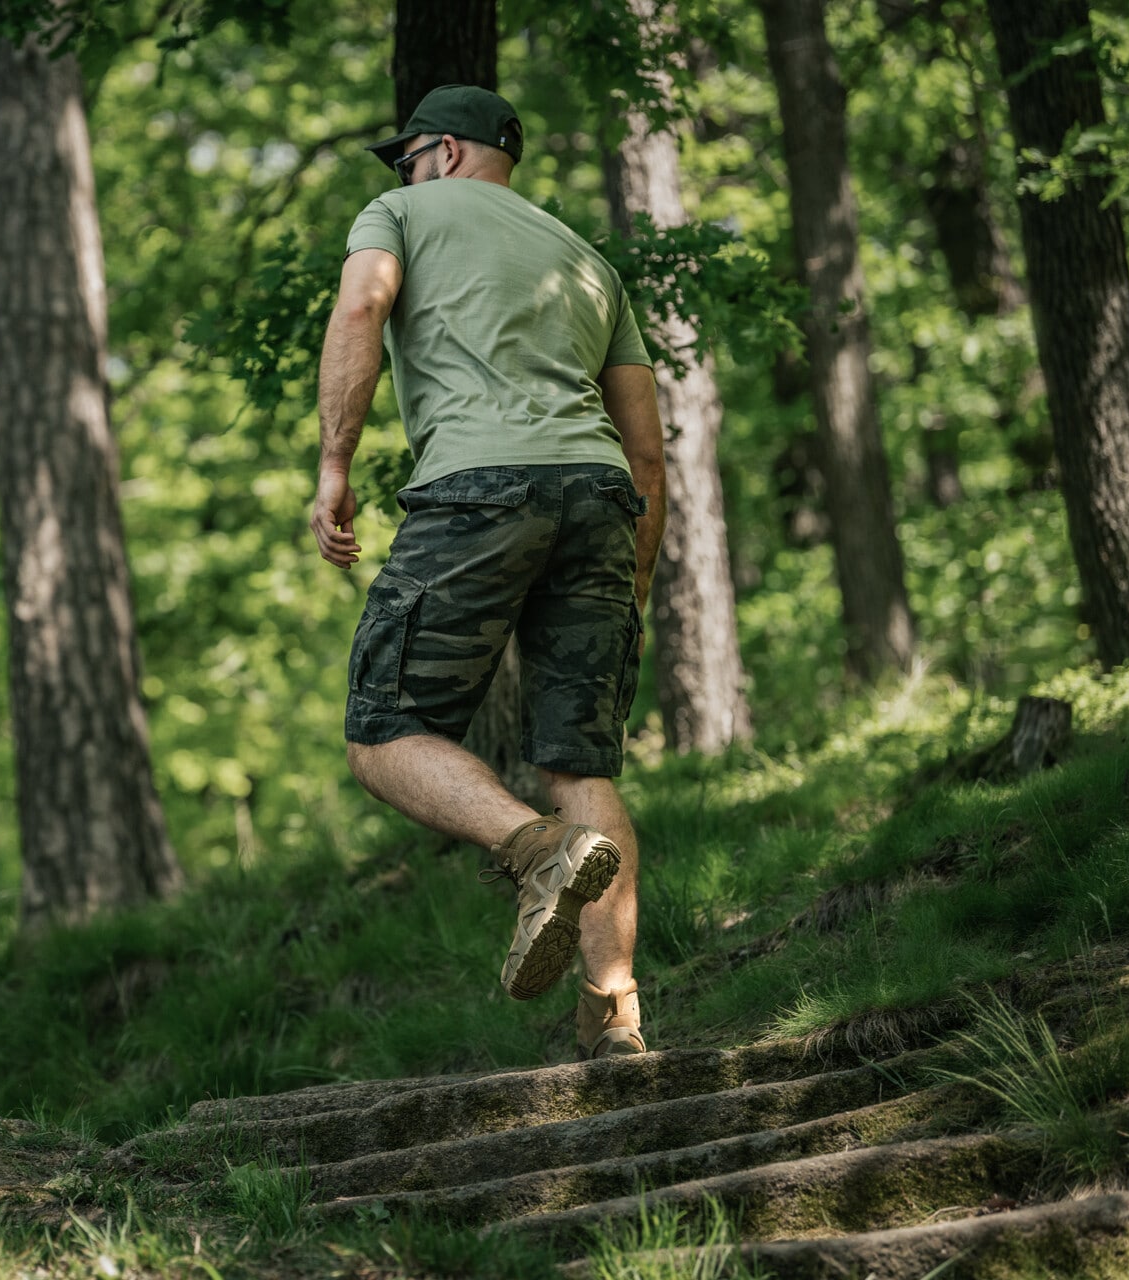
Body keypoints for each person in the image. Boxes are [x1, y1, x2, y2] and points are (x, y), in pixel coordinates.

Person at [309, 85, 667, 1058]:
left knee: (382, 733)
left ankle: (534, 845)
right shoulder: (587, 261)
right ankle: (614, 1013)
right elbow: (647, 457)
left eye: (407, 156)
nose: (401, 174)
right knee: (580, 764)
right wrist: (626, 588)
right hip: (597, 500)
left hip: (479, 486)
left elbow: (362, 301)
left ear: (447, 152)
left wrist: (335, 464)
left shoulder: (403, 213)